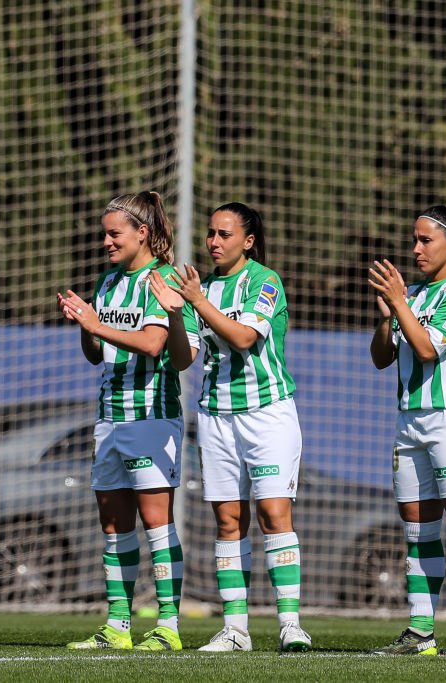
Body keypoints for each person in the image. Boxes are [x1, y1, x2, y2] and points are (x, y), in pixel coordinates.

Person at [151, 202, 311, 653]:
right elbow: (184, 359)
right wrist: (179, 315)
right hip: (216, 416)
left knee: (274, 515)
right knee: (228, 520)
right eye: (210, 233)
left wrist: (197, 300)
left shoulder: (265, 281)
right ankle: (235, 629)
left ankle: (290, 624)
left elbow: (243, 338)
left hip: (268, 414)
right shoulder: (204, 289)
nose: (213, 242)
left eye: (224, 234)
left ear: (248, 240)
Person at [59, 191, 199, 652]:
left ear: (142, 233)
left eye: (114, 233)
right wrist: (86, 325)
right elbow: (96, 352)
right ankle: (117, 626)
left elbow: (156, 345)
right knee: (113, 525)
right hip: (109, 418)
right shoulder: (109, 281)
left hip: (151, 418)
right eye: (105, 233)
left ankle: (168, 627)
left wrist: (97, 325)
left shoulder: (163, 280)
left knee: (157, 523)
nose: (106, 241)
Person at [368, 204, 446, 657]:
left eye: (426, 240)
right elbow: (382, 357)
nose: (416, 248)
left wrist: (400, 303)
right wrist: (388, 315)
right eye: (415, 239)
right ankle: (420, 631)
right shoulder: (415, 293)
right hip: (410, 420)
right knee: (418, 531)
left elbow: (426, 350)